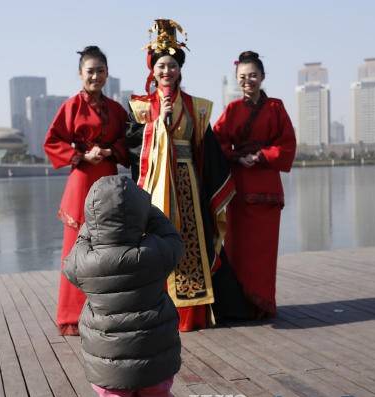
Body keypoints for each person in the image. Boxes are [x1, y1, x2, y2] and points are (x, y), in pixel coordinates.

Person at [126, 19, 244, 331]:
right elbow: (132, 149)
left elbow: (209, 152)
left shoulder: (197, 107)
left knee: (194, 242)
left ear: (180, 69)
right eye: (161, 66)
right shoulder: (139, 107)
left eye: (172, 66)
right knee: (156, 242)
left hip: (188, 182)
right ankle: (155, 312)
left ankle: (194, 313)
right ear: (152, 69)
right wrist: (157, 126)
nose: (167, 72)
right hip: (155, 185)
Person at [63, 175, 184, 397]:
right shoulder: (154, 253)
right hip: (155, 355)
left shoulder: (85, 263)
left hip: (107, 361)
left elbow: (74, 253)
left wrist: (91, 224)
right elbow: (174, 239)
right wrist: (148, 211)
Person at [44, 46, 129, 335]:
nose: (95, 76)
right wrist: (80, 156)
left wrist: (109, 150)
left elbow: (128, 143)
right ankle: (71, 316)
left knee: (109, 247)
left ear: (107, 74)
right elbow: (52, 141)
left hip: (108, 179)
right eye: (90, 70)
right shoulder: (70, 107)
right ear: (80, 74)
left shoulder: (117, 109)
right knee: (76, 252)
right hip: (81, 180)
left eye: (100, 70)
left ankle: (107, 314)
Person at [213, 51, 297, 319]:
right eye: (242, 77)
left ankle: (263, 305)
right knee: (238, 250)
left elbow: (287, 144)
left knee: (264, 253)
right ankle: (240, 305)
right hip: (241, 189)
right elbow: (217, 143)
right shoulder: (232, 110)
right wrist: (238, 156)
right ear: (237, 80)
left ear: (262, 77)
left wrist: (261, 156)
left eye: (252, 76)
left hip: (267, 189)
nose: (247, 81)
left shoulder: (276, 107)